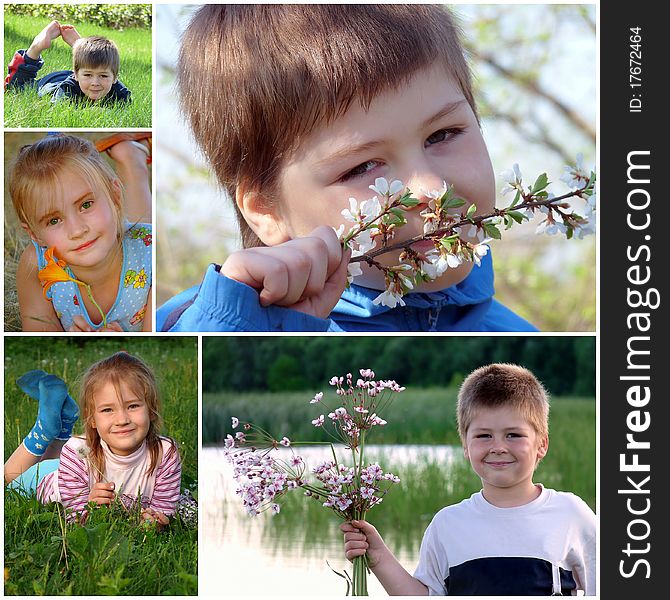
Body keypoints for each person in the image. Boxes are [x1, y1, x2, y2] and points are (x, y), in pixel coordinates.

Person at [157, 5, 538, 333]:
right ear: (265, 209)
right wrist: (237, 320)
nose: (431, 189)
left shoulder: (518, 340)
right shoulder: (213, 320)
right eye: (364, 167)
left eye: (442, 135)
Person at [341, 363, 596, 595]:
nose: (498, 447)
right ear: (465, 446)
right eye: (484, 436)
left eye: (513, 435)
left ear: (541, 444)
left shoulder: (570, 514)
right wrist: (378, 556)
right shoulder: (448, 525)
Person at [4, 352, 181, 526]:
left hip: (76, 466)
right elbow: (74, 519)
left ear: (151, 409)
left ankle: (62, 425)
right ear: (92, 419)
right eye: (107, 410)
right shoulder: (76, 451)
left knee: (67, 456)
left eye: (133, 406)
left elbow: (164, 511)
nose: (122, 420)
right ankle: (44, 428)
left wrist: (154, 522)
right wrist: (90, 507)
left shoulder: (165, 453)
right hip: (52, 476)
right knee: (7, 481)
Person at [8, 133, 152, 331]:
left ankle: (131, 159)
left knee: (140, 228)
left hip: (141, 242)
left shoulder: (151, 257)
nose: (77, 230)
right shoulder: (36, 265)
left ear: (116, 196)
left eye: (86, 205)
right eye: (54, 220)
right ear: (35, 234)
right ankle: (129, 153)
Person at [5, 20, 131, 104]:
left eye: (103, 76)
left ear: (115, 78)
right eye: (89, 75)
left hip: (81, 74)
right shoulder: (66, 91)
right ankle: (36, 46)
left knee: (95, 70)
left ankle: (82, 50)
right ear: (75, 74)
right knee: (15, 88)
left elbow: (126, 101)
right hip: (52, 84)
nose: (95, 83)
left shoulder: (117, 92)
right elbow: (57, 111)